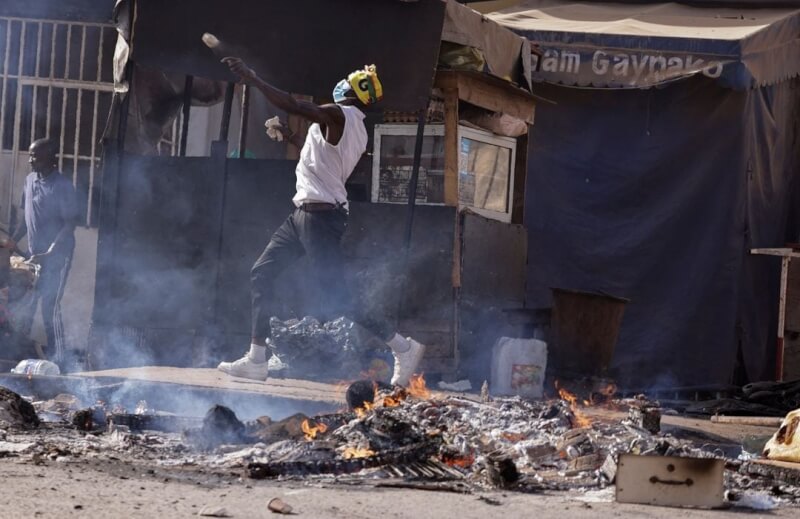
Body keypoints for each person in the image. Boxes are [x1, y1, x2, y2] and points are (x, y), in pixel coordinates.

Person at [217, 58, 425, 385]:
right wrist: (288, 135)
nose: (341, 81)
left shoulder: (338, 113)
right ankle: (257, 360)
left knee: (337, 297)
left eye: (347, 80)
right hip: (304, 215)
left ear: (353, 92)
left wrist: (253, 79)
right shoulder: (355, 129)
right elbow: (322, 162)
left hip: (320, 218)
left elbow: (292, 104)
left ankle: (403, 346)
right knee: (262, 273)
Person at [3, 138, 78, 367]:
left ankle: (61, 362)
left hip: (57, 257)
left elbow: (70, 224)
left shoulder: (62, 186)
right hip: (33, 257)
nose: (30, 159)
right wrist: (11, 242)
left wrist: (50, 252)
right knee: (27, 306)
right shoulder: (30, 180)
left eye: (34, 155)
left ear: (50, 157)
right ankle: (19, 359)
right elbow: (26, 220)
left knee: (49, 308)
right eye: (30, 154)